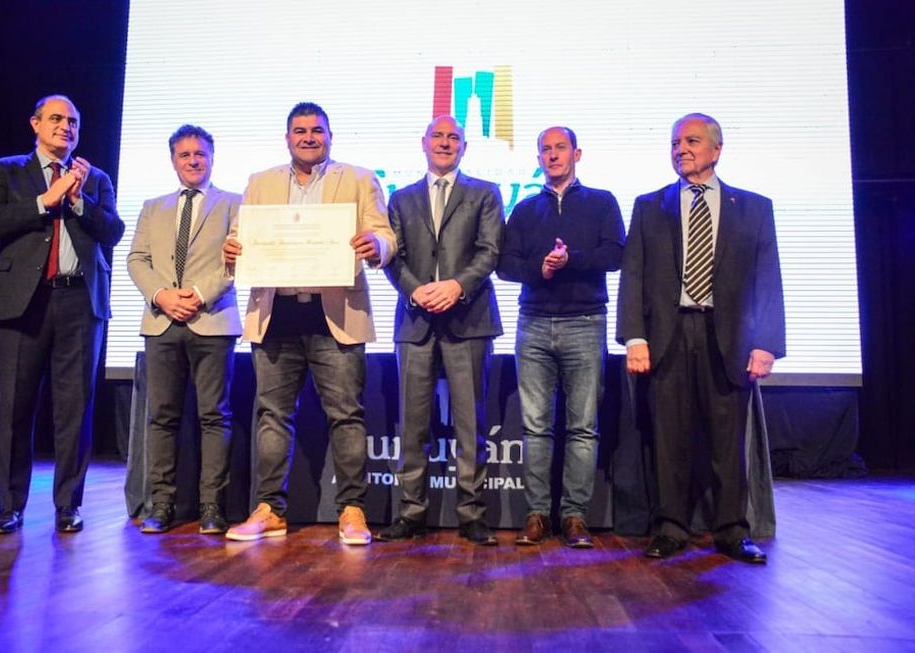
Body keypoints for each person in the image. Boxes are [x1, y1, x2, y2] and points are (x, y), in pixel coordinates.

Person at [223, 102, 396, 546]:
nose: (308, 137)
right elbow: (240, 242)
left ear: (330, 136)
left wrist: (374, 244)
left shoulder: (358, 178)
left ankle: (353, 511)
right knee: (272, 416)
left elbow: (386, 235)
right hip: (275, 315)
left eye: (316, 130)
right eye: (299, 130)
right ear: (287, 138)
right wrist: (233, 253)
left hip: (335, 315)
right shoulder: (260, 183)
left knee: (346, 415)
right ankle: (269, 510)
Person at [617, 113, 785, 564]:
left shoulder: (752, 207)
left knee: (727, 441)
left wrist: (766, 343)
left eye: (691, 141)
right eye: (675, 142)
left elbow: (767, 279)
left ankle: (731, 530)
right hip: (668, 335)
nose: (680, 149)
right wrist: (634, 336)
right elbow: (633, 276)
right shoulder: (650, 206)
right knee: (669, 439)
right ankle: (670, 528)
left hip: (727, 336)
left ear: (716, 149)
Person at [0, 94, 124, 534]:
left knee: (75, 409)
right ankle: (10, 506)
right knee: (15, 409)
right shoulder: (6, 170)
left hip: (80, 302)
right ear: (35, 124)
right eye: (56, 119)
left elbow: (112, 231)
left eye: (73, 121)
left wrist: (77, 201)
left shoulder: (93, 178)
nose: (66, 127)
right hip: (23, 302)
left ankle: (67, 506)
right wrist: (46, 200)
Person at [376, 115, 504, 546]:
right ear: (424, 143)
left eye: (454, 138)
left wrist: (456, 286)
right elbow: (394, 257)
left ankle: (471, 515)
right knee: (412, 425)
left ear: (464, 147)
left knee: (471, 424)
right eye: (438, 136)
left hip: (468, 320)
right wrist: (417, 292)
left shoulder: (485, 193)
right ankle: (411, 512)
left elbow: (490, 252)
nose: (446, 143)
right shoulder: (400, 198)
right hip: (415, 321)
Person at [497, 126, 625, 548]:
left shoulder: (602, 202)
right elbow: (505, 265)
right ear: (538, 158)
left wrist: (571, 261)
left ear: (577, 154)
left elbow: (616, 254)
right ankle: (536, 516)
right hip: (532, 323)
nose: (552, 156)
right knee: (535, 428)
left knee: (582, 428)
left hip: (585, 322)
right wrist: (542, 268)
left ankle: (574, 517)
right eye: (545, 150)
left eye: (560, 148)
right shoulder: (526, 209)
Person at [127, 125, 241, 535]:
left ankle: (212, 506)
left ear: (212, 156)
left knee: (215, 416)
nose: (194, 161)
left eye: (200, 154)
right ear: (173, 159)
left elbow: (236, 261)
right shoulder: (152, 206)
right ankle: (161, 503)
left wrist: (195, 294)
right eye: (185, 155)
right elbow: (136, 259)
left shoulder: (234, 203)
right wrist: (162, 295)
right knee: (162, 417)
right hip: (161, 322)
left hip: (212, 320)